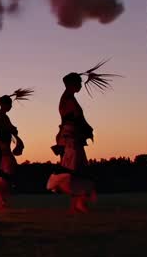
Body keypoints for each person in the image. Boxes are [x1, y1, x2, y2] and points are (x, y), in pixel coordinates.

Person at [47, 62, 119, 213]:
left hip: (72, 137)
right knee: (73, 170)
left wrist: (86, 129)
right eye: (78, 83)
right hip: (71, 138)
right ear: (71, 84)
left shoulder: (68, 98)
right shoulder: (68, 100)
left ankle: (76, 205)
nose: (80, 85)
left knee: (77, 170)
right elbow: (77, 118)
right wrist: (87, 128)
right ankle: (77, 202)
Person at [0, 88, 32, 209]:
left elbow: (10, 129)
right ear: (5, 104)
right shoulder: (1, 116)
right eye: (9, 104)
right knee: (6, 175)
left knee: (6, 175)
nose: (11, 106)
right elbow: (10, 129)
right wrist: (14, 130)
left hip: (3, 149)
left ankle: (2, 201)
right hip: (3, 149)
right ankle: (2, 200)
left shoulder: (1, 116)